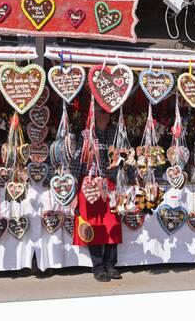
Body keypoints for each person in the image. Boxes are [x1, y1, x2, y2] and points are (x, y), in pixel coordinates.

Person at [71, 104, 123, 282]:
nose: (108, 116)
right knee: (93, 225)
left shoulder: (114, 133)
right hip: (90, 184)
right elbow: (77, 164)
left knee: (112, 224)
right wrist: (74, 193)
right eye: (103, 113)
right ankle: (98, 267)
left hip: (109, 184)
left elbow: (121, 158)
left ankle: (110, 264)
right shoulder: (86, 135)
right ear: (94, 114)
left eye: (109, 113)